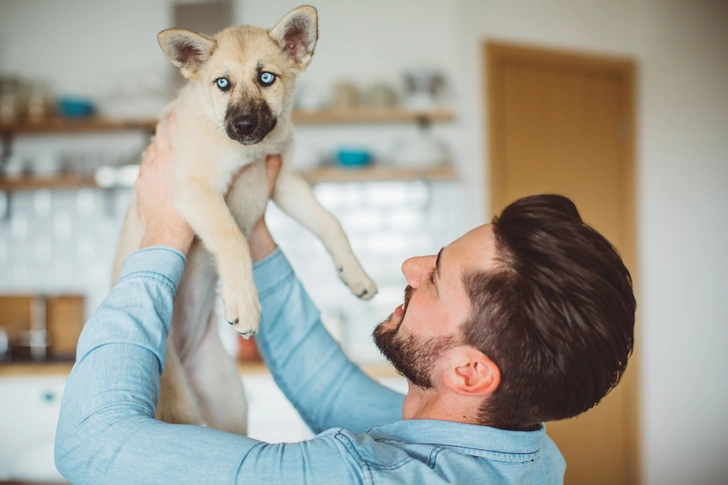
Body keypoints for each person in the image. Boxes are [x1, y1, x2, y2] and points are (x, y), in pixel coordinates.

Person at [54, 116, 636, 485]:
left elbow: (91, 442)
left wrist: (161, 233)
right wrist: (251, 227)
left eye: (434, 279)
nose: (411, 266)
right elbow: (324, 385)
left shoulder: (361, 478)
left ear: (470, 370)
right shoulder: (514, 447)